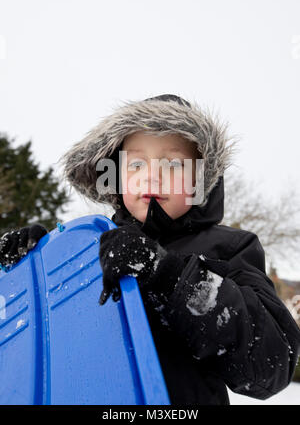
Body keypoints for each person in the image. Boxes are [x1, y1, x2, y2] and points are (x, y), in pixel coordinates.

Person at [1, 94, 300, 405]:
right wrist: (33, 264)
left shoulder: (227, 248)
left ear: (202, 178)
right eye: (136, 163)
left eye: (173, 163)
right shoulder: (91, 249)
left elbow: (271, 366)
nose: (152, 175)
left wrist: (167, 275)